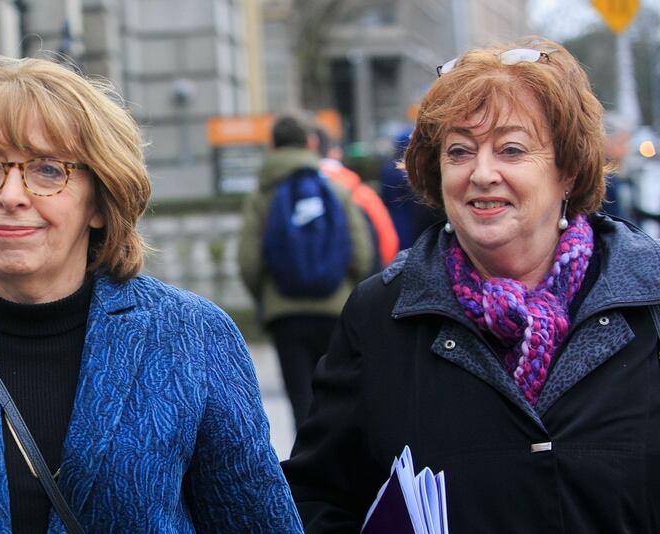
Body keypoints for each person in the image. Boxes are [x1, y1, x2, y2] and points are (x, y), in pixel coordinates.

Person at [0, 56, 303, 533]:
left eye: (48, 170)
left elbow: (256, 523)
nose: (10, 194)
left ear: (99, 200)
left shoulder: (191, 338)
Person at [282, 37, 660, 533]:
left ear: (567, 169)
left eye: (511, 149)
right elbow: (317, 496)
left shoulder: (648, 298)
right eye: (459, 151)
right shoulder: (383, 313)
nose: (482, 173)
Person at [238, 113, 372, 431]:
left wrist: (266, 296)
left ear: (272, 146)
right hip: (334, 309)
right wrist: (346, 289)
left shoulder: (262, 196)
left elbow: (248, 260)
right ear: (311, 144)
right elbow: (361, 253)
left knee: (301, 400)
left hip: (285, 315)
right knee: (338, 396)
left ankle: (307, 474)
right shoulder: (335, 190)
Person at [315, 126, 399, 271]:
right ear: (334, 153)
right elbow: (388, 243)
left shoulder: (282, 191)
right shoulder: (360, 192)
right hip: (351, 284)